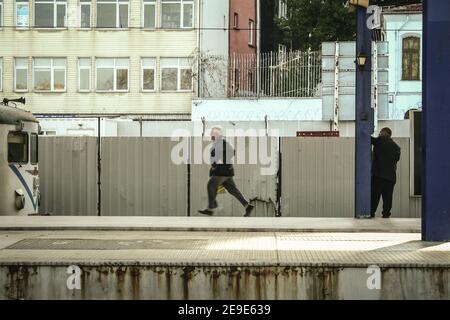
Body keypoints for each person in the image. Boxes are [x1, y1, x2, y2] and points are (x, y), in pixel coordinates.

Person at [198, 127, 255, 217]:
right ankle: (247, 206)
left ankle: (211, 208)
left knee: (211, 186)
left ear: (217, 135)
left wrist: (222, 160)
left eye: (213, 134)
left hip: (222, 172)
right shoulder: (217, 143)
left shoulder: (222, 142)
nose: (211, 135)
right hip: (225, 172)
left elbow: (232, 151)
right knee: (233, 190)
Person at [371, 127, 401, 218]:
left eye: (380, 132)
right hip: (391, 177)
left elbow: (368, 139)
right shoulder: (396, 147)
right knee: (388, 197)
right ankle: (386, 214)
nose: (379, 134)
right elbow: (397, 159)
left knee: (375, 196)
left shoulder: (380, 141)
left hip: (379, 175)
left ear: (385, 133)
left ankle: (371, 212)